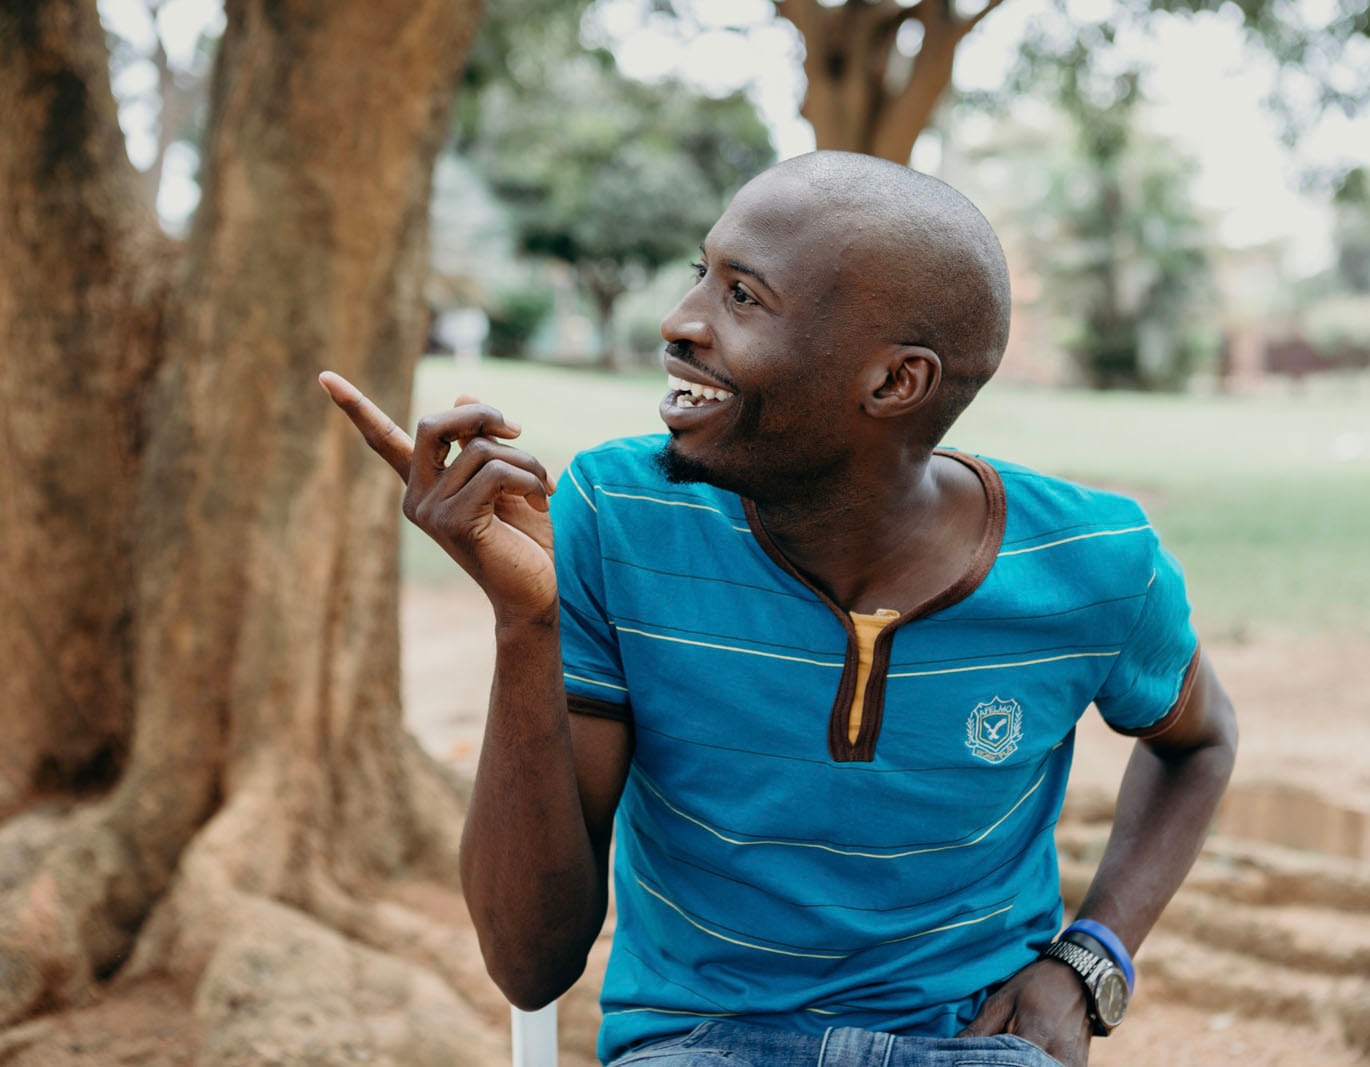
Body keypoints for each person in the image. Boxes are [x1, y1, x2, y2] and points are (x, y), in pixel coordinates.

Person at [321, 150, 1237, 1067]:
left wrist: (1091, 959)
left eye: (743, 299)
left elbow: (1199, 741)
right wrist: (526, 624)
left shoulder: (1094, 562)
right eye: (701, 278)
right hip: (696, 1043)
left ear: (893, 384)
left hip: (972, 1041)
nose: (681, 325)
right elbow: (529, 963)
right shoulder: (619, 516)